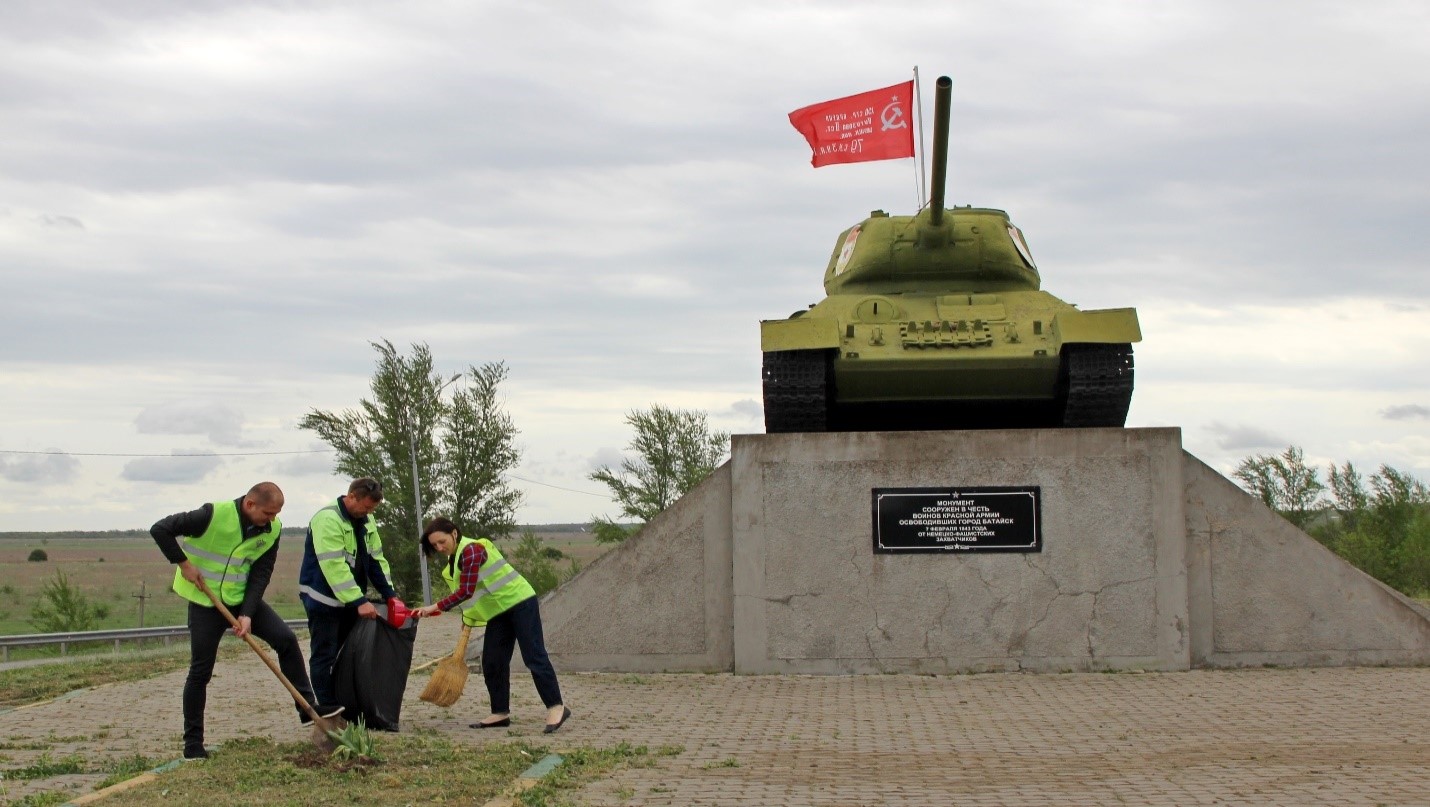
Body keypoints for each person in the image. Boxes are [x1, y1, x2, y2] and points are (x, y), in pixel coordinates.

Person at [150, 481, 341, 761]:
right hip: (206, 601)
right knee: (200, 671)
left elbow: (261, 573)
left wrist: (248, 614)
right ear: (250, 504)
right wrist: (183, 563)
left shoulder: (273, 530)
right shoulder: (211, 515)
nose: (272, 519)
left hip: (240, 599)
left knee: (286, 640)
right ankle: (193, 744)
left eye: (276, 514)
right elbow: (160, 529)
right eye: (268, 513)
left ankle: (307, 707)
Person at [413, 516, 570, 733]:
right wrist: (467, 620)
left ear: (454, 534)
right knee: (492, 661)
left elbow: (466, 590)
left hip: (520, 602)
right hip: (498, 611)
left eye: (442, 541)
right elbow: (474, 595)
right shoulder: (453, 561)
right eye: (434, 545)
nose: (439, 547)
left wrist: (435, 607)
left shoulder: (472, 550)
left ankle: (556, 707)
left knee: (534, 656)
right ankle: (500, 713)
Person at [298, 477, 401, 709]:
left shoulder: (366, 520)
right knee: (324, 654)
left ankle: (344, 702)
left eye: (373, 508)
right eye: (366, 506)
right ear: (351, 496)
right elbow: (334, 566)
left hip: (350, 602)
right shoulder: (328, 519)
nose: (369, 512)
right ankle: (328, 709)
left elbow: (375, 559)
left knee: (345, 653)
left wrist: (390, 594)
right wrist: (359, 600)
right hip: (322, 599)